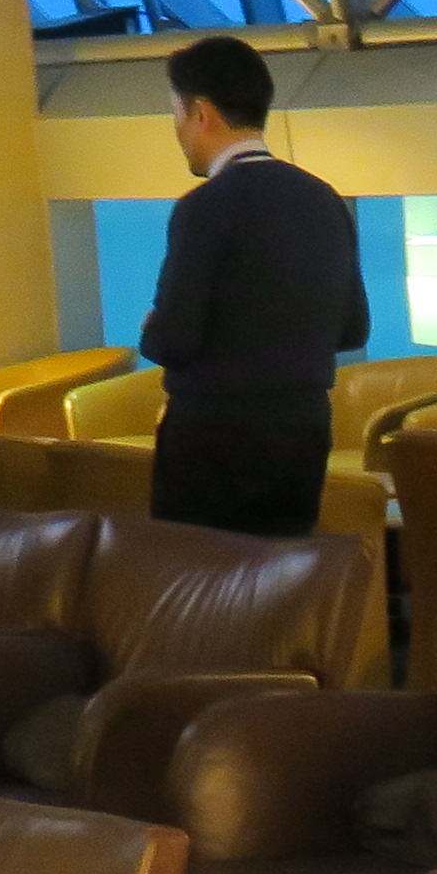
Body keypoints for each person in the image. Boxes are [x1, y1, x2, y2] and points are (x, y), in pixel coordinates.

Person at [137, 34, 365, 537]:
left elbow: (174, 339)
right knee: (279, 586)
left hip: (214, 436)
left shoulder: (204, 207)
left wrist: (151, 328)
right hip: (303, 429)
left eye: (176, 115)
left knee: (202, 588)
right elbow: (352, 329)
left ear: (201, 113)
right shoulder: (323, 200)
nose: (177, 131)